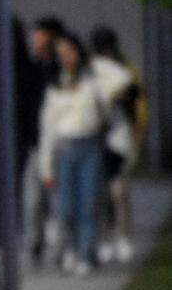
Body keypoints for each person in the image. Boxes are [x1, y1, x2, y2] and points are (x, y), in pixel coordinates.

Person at [39, 31, 110, 276]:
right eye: (61, 54)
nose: (66, 58)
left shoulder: (93, 81)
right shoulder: (55, 86)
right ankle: (70, 248)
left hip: (89, 145)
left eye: (70, 52)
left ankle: (86, 253)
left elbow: (107, 111)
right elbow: (48, 128)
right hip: (64, 148)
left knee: (88, 203)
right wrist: (46, 166)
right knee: (65, 206)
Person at [89, 26, 144, 264]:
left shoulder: (126, 72)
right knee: (101, 193)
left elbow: (137, 104)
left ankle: (123, 237)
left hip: (119, 135)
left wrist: (138, 131)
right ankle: (105, 238)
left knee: (119, 191)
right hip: (97, 136)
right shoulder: (91, 71)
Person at [20, 16, 64, 268]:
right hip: (36, 144)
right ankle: (34, 247)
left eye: (40, 35)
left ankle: (62, 248)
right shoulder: (31, 69)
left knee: (59, 201)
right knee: (33, 201)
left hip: (61, 143)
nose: (35, 40)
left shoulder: (62, 69)